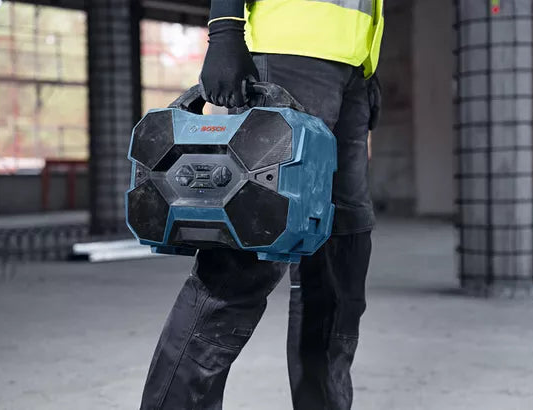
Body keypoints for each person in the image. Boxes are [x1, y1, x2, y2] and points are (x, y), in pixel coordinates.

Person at [139, 1, 384, 409]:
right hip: (288, 53)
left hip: (352, 67)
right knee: (245, 256)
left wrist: (367, 65)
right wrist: (225, 29)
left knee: (342, 248)